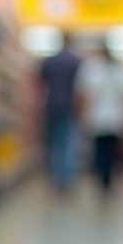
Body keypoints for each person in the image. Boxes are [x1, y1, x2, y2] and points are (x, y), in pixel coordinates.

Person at [75, 41, 123, 198]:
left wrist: (82, 116)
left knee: (100, 152)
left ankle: (103, 181)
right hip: (117, 119)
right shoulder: (122, 71)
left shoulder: (92, 71)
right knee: (113, 152)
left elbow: (85, 96)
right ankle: (108, 181)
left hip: (98, 119)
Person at [39, 36, 81, 193]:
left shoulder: (48, 61)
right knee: (66, 142)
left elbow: (39, 85)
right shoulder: (76, 62)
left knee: (52, 143)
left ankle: (54, 177)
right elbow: (80, 88)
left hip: (50, 105)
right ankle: (65, 179)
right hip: (68, 106)